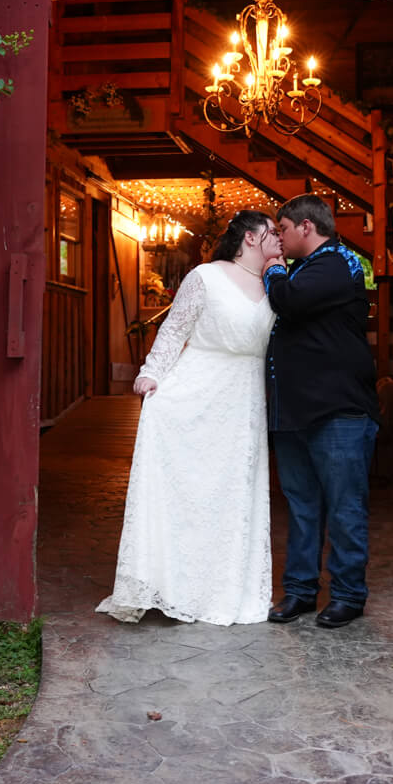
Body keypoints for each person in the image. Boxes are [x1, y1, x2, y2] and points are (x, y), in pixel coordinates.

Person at [96, 210, 286, 625]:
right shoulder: (206, 276)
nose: (280, 238)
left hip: (245, 399)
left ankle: (224, 588)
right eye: (273, 231)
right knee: (193, 490)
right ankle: (173, 584)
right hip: (199, 389)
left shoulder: (276, 281)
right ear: (251, 238)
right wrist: (150, 373)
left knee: (233, 492)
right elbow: (173, 330)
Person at [261, 194, 381, 629]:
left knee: (344, 506)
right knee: (302, 505)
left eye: (283, 230)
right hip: (294, 413)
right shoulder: (306, 269)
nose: (279, 239)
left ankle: (349, 595)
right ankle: (300, 591)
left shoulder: (338, 261)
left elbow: (289, 302)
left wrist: (272, 269)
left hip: (338, 411)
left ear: (306, 227)